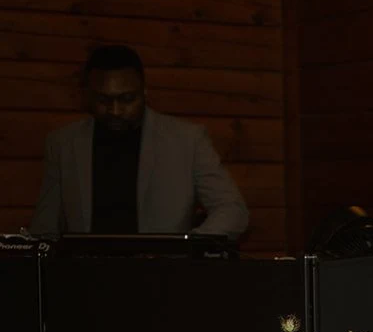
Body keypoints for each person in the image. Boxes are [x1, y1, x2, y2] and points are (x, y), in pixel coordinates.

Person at [29, 45, 249, 238]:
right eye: (103, 100)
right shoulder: (63, 144)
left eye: (126, 99)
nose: (115, 111)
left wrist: (187, 249)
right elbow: (44, 228)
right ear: (87, 95)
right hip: (87, 279)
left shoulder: (187, 140)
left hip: (163, 278)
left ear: (144, 92)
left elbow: (232, 210)